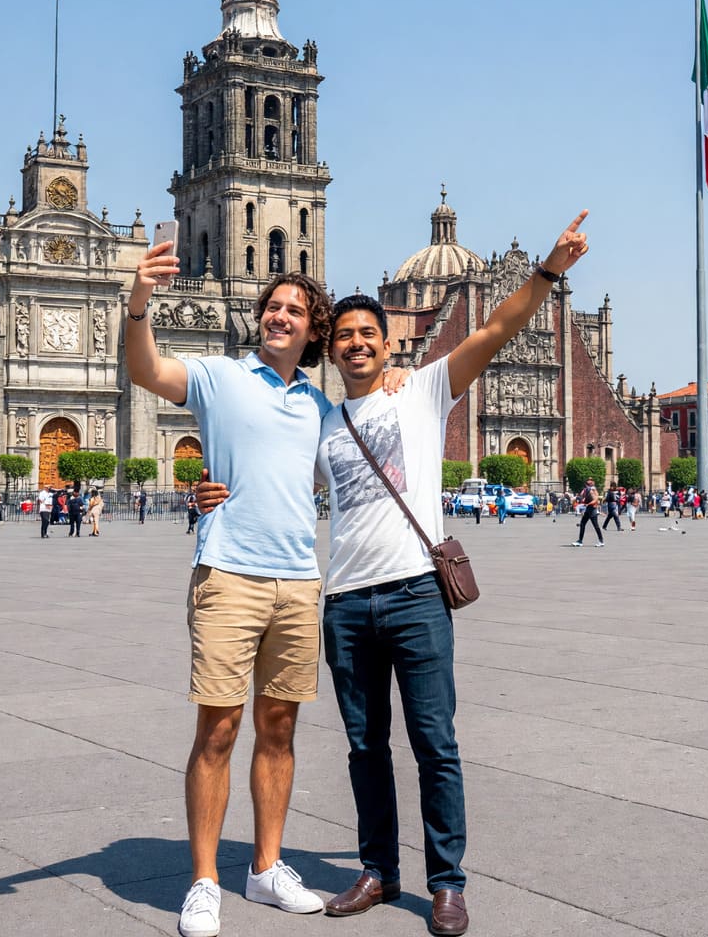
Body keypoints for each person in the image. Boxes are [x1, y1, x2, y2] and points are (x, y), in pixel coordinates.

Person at [198, 209, 590, 937]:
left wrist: (549, 271)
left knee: (435, 743)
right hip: (344, 603)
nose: (355, 344)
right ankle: (379, 869)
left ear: (389, 342)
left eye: (367, 335)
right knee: (364, 747)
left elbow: (497, 329)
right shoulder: (317, 420)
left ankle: (447, 883)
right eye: (343, 335)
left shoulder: (425, 389)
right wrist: (208, 488)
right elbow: (266, 468)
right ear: (331, 346)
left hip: (415, 595)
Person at [125, 242, 408, 937]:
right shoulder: (220, 376)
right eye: (273, 307)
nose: (280, 317)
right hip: (228, 574)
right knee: (218, 727)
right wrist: (137, 302)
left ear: (314, 332)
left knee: (279, 729)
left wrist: (394, 373)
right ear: (260, 318)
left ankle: (267, 865)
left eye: (295, 311)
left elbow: (359, 440)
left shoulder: (319, 406)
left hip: (298, 581)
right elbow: (144, 369)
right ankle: (202, 880)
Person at [572, 476, 604, 547]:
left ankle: (601, 541)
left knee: (596, 526)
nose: (589, 481)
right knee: (582, 524)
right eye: (588, 480)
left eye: (591, 480)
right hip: (588, 509)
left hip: (592, 510)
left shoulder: (592, 490)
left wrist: (588, 504)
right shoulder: (588, 490)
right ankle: (580, 541)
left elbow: (595, 499)